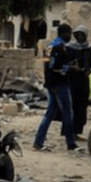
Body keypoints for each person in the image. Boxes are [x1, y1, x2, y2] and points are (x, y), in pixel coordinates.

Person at [33, 23, 78, 151]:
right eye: (69, 33)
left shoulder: (50, 45)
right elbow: (56, 67)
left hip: (50, 83)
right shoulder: (60, 47)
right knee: (68, 113)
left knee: (49, 113)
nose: (70, 37)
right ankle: (71, 143)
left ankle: (38, 141)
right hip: (60, 83)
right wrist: (71, 68)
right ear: (64, 33)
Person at [66, 25, 91, 139]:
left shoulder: (89, 48)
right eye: (77, 34)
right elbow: (64, 63)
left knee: (82, 107)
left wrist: (90, 70)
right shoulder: (69, 47)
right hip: (72, 81)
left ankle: (77, 131)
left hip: (83, 81)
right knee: (72, 106)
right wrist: (71, 67)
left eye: (82, 34)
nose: (79, 37)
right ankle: (70, 132)